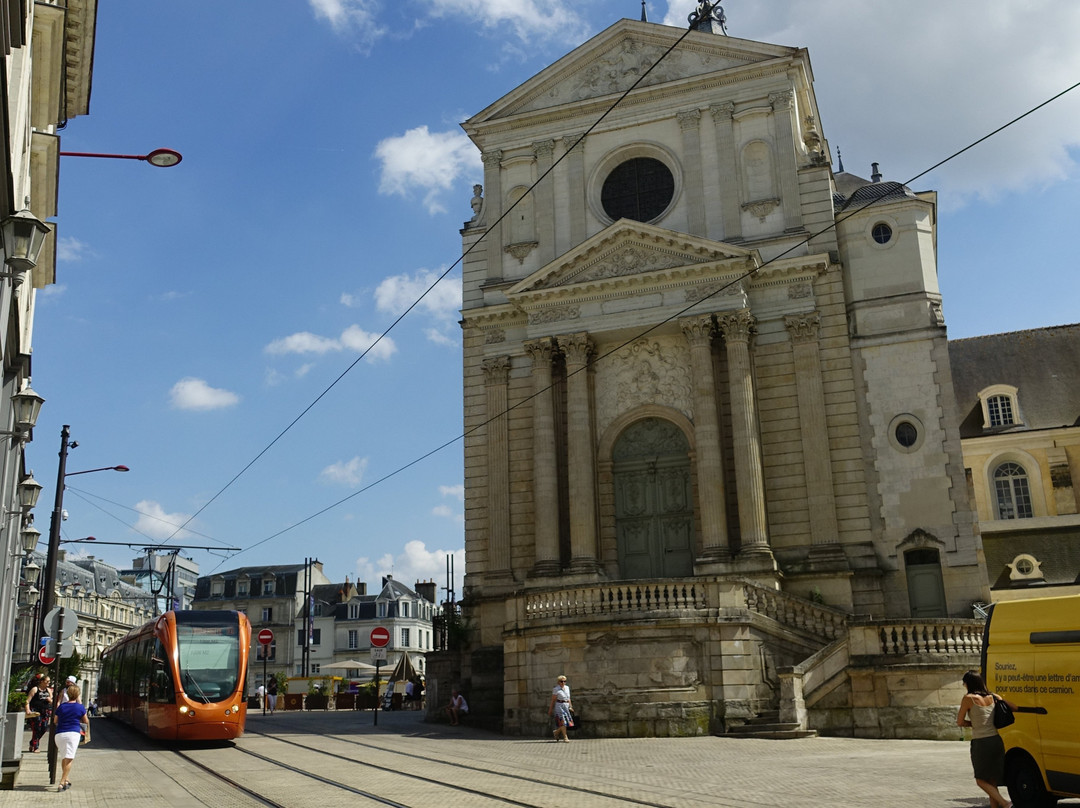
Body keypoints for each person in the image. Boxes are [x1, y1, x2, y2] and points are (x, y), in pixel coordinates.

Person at [957, 670, 1016, 808]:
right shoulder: (994, 696)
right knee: (992, 780)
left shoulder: (968, 698)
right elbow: (1012, 707)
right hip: (996, 740)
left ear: (968, 684)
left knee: (980, 780)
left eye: (964, 683)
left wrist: (973, 724)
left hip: (981, 742)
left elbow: (960, 722)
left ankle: (1005, 803)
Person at [53, 684, 89, 792]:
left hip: (59, 735)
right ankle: (61, 783)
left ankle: (67, 779)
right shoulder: (80, 707)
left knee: (64, 757)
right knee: (69, 759)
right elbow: (86, 721)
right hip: (72, 734)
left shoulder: (61, 707)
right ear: (78, 694)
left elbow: (55, 721)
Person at [25, 674, 53, 753]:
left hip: (45, 711)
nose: (48, 683)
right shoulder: (35, 689)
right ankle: (35, 747)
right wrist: (28, 710)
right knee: (36, 728)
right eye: (47, 681)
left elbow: (52, 701)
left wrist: (49, 700)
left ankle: (32, 742)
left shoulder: (48, 690)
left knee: (44, 728)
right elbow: (27, 701)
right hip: (36, 711)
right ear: (41, 681)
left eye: (49, 681)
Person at [548, 675, 574, 742]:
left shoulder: (567, 688)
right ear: (558, 682)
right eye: (561, 681)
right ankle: (565, 737)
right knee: (562, 721)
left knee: (567, 722)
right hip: (559, 705)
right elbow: (553, 700)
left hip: (566, 705)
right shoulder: (556, 689)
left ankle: (556, 732)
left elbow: (568, 698)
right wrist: (550, 709)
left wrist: (570, 706)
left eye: (564, 681)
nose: (563, 683)